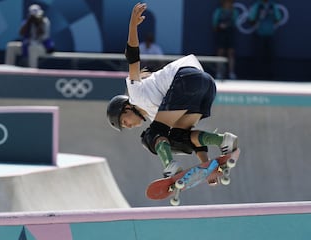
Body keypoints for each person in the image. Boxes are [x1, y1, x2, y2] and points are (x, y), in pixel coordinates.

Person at [106, 3, 238, 182]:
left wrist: (132, 26)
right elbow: (193, 140)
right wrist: (208, 167)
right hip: (206, 85)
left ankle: (170, 166)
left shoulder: (135, 93)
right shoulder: (159, 116)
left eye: (124, 121)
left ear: (126, 108)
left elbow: (133, 58)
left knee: (151, 136)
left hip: (186, 79)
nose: (128, 126)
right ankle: (223, 140)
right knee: (178, 137)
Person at [248, 0, 282, 79]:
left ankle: (270, 75)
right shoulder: (258, 6)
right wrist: (259, 17)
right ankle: (257, 74)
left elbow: (278, 17)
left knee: (270, 56)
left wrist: (271, 19)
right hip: (259, 34)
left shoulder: (272, 6)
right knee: (258, 56)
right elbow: (251, 18)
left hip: (270, 34)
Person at [212, 0, 238, 80]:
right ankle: (219, 72)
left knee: (231, 53)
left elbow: (235, 23)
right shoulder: (219, 11)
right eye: (226, 1)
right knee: (220, 52)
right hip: (221, 34)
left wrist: (228, 26)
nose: (228, 3)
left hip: (230, 34)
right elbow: (214, 24)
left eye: (230, 1)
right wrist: (220, 26)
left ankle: (231, 73)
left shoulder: (234, 11)